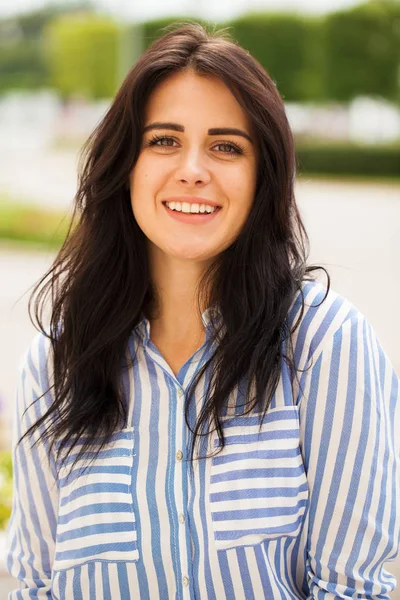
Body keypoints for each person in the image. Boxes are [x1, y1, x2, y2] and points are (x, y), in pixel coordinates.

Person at [5, 21, 400, 600]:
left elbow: (352, 589)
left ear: (262, 176)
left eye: (226, 147)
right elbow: (38, 586)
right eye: (164, 140)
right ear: (125, 167)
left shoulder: (325, 344)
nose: (193, 168)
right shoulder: (55, 365)